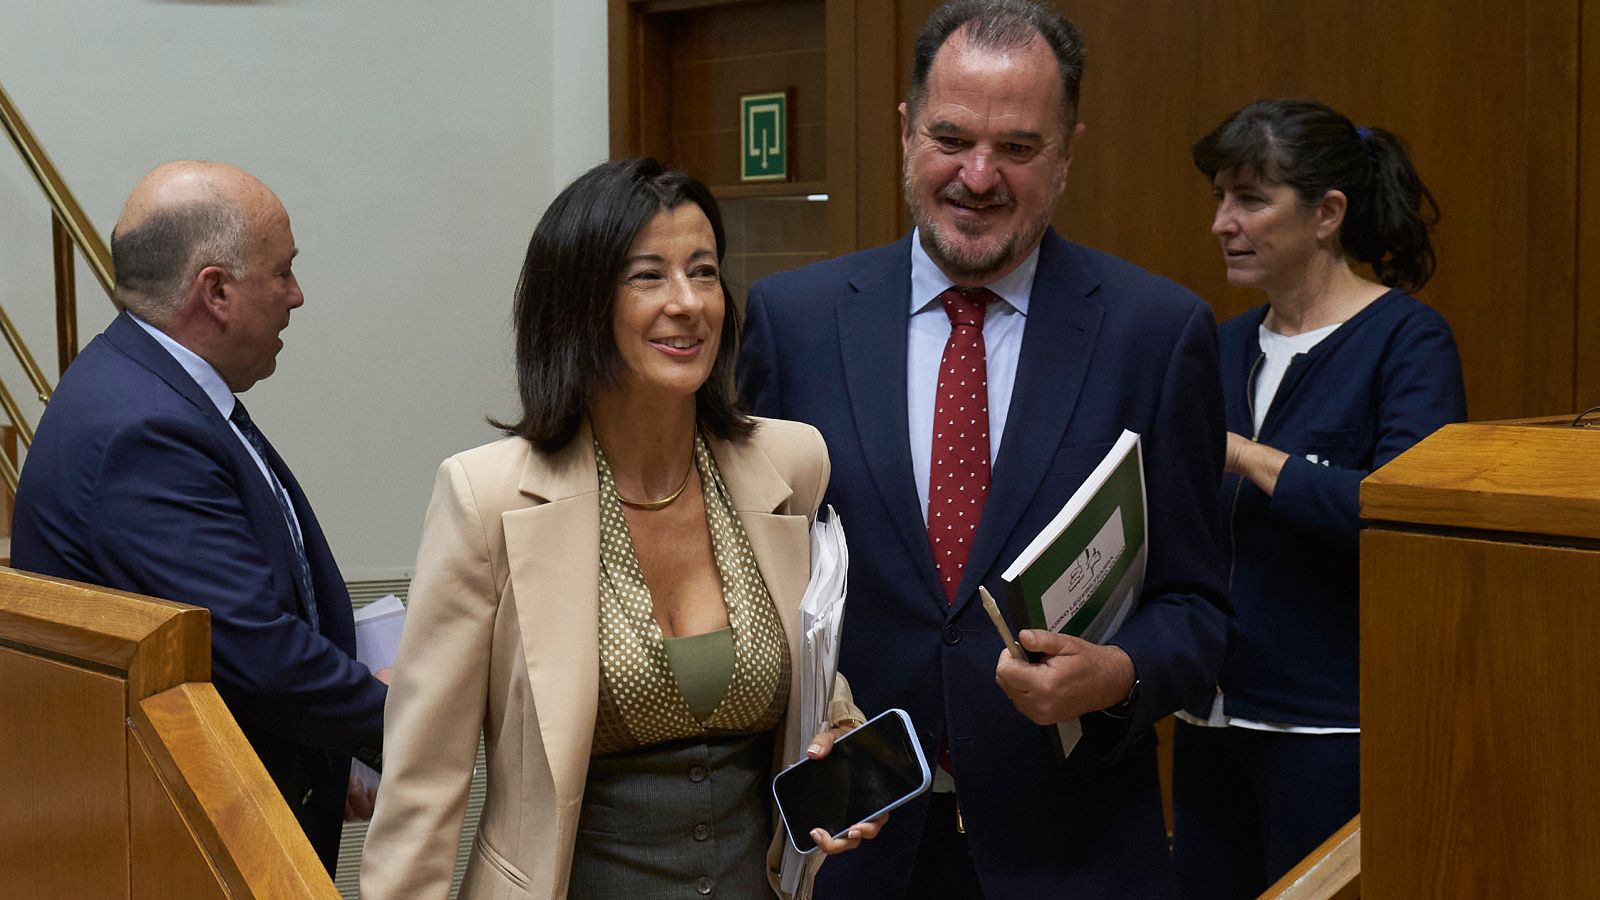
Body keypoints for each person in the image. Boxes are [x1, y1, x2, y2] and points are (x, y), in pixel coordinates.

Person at [738, 1, 1230, 896]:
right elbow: (747, 575)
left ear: (1069, 152)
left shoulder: (1156, 335)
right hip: (853, 846)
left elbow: (1200, 606)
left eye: (1018, 147)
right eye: (951, 137)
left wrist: (1118, 675)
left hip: (1073, 852)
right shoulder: (794, 324)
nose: (977, 175)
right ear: (905, 131)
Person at [360, 157, 879, 900]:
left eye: (703, 272)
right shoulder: (488, 498)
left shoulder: (789, 464)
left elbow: (812, 664)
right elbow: (423, 787)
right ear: (579, 302)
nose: (687, 302)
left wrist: (841, 739)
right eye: (648, 276)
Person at [10, 160, 387, 874]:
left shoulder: (143, 387)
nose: (297, 296)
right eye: (283, 272)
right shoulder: (142, 428)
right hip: (187, 850)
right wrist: (415, 721)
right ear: (215, 290)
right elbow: (254, 654)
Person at [1172, 98, 1467, 897]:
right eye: (1219, 200)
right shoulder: (1219, 342)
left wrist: (1246, 457)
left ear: (1328, 213)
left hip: (1331, 729)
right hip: (1207, 719)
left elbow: (1401, 513)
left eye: (1251, 200)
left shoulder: (1407, 339)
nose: (1223, 223)